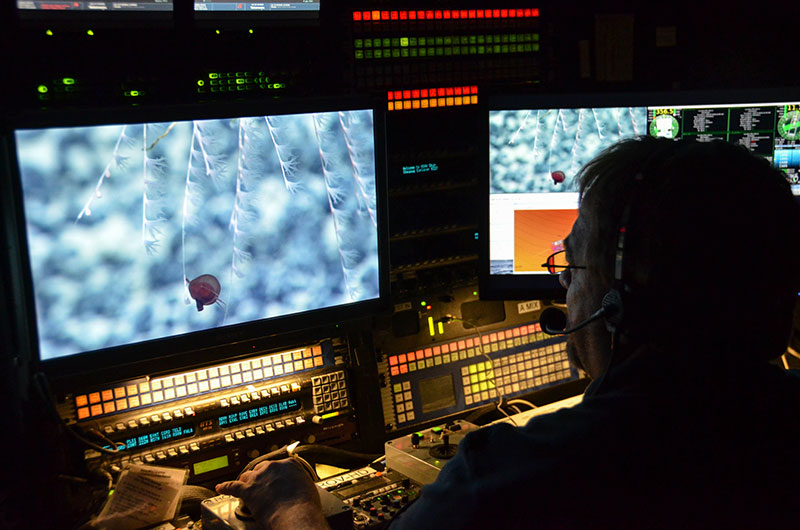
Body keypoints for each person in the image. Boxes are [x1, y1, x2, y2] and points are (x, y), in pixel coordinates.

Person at [216, 137, 800, 529]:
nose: (564, 293)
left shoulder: (511, 476)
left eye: (573, 268)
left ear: (619, 302)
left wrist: (292, 507)